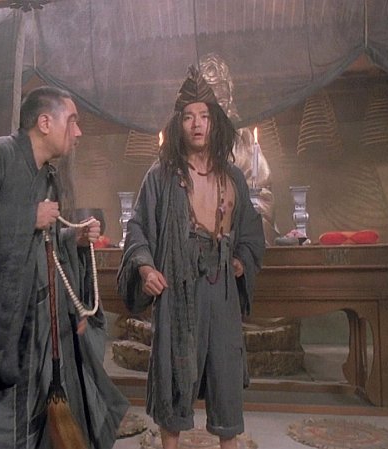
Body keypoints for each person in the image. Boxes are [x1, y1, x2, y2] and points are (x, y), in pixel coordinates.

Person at [0, 86, 128, 449]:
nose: (78, 132)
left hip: (30, 321)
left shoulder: (47, 175)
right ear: (45, 123)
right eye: (72, 121)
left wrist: (71, 239)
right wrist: (28, 216)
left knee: (29, 414)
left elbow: (39, 242)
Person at [118, 66, 265, 449]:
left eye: (204, 116)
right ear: (178, 124)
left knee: (226, 374)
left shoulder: (233, 177)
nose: (197, 124)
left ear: (215, 122)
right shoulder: (161, 177)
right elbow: (137, 227)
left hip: (221, 291)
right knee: (175, 372)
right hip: (178, 288)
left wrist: (241, 259)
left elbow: (251, 232)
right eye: (188, 117)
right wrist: (145, 267)